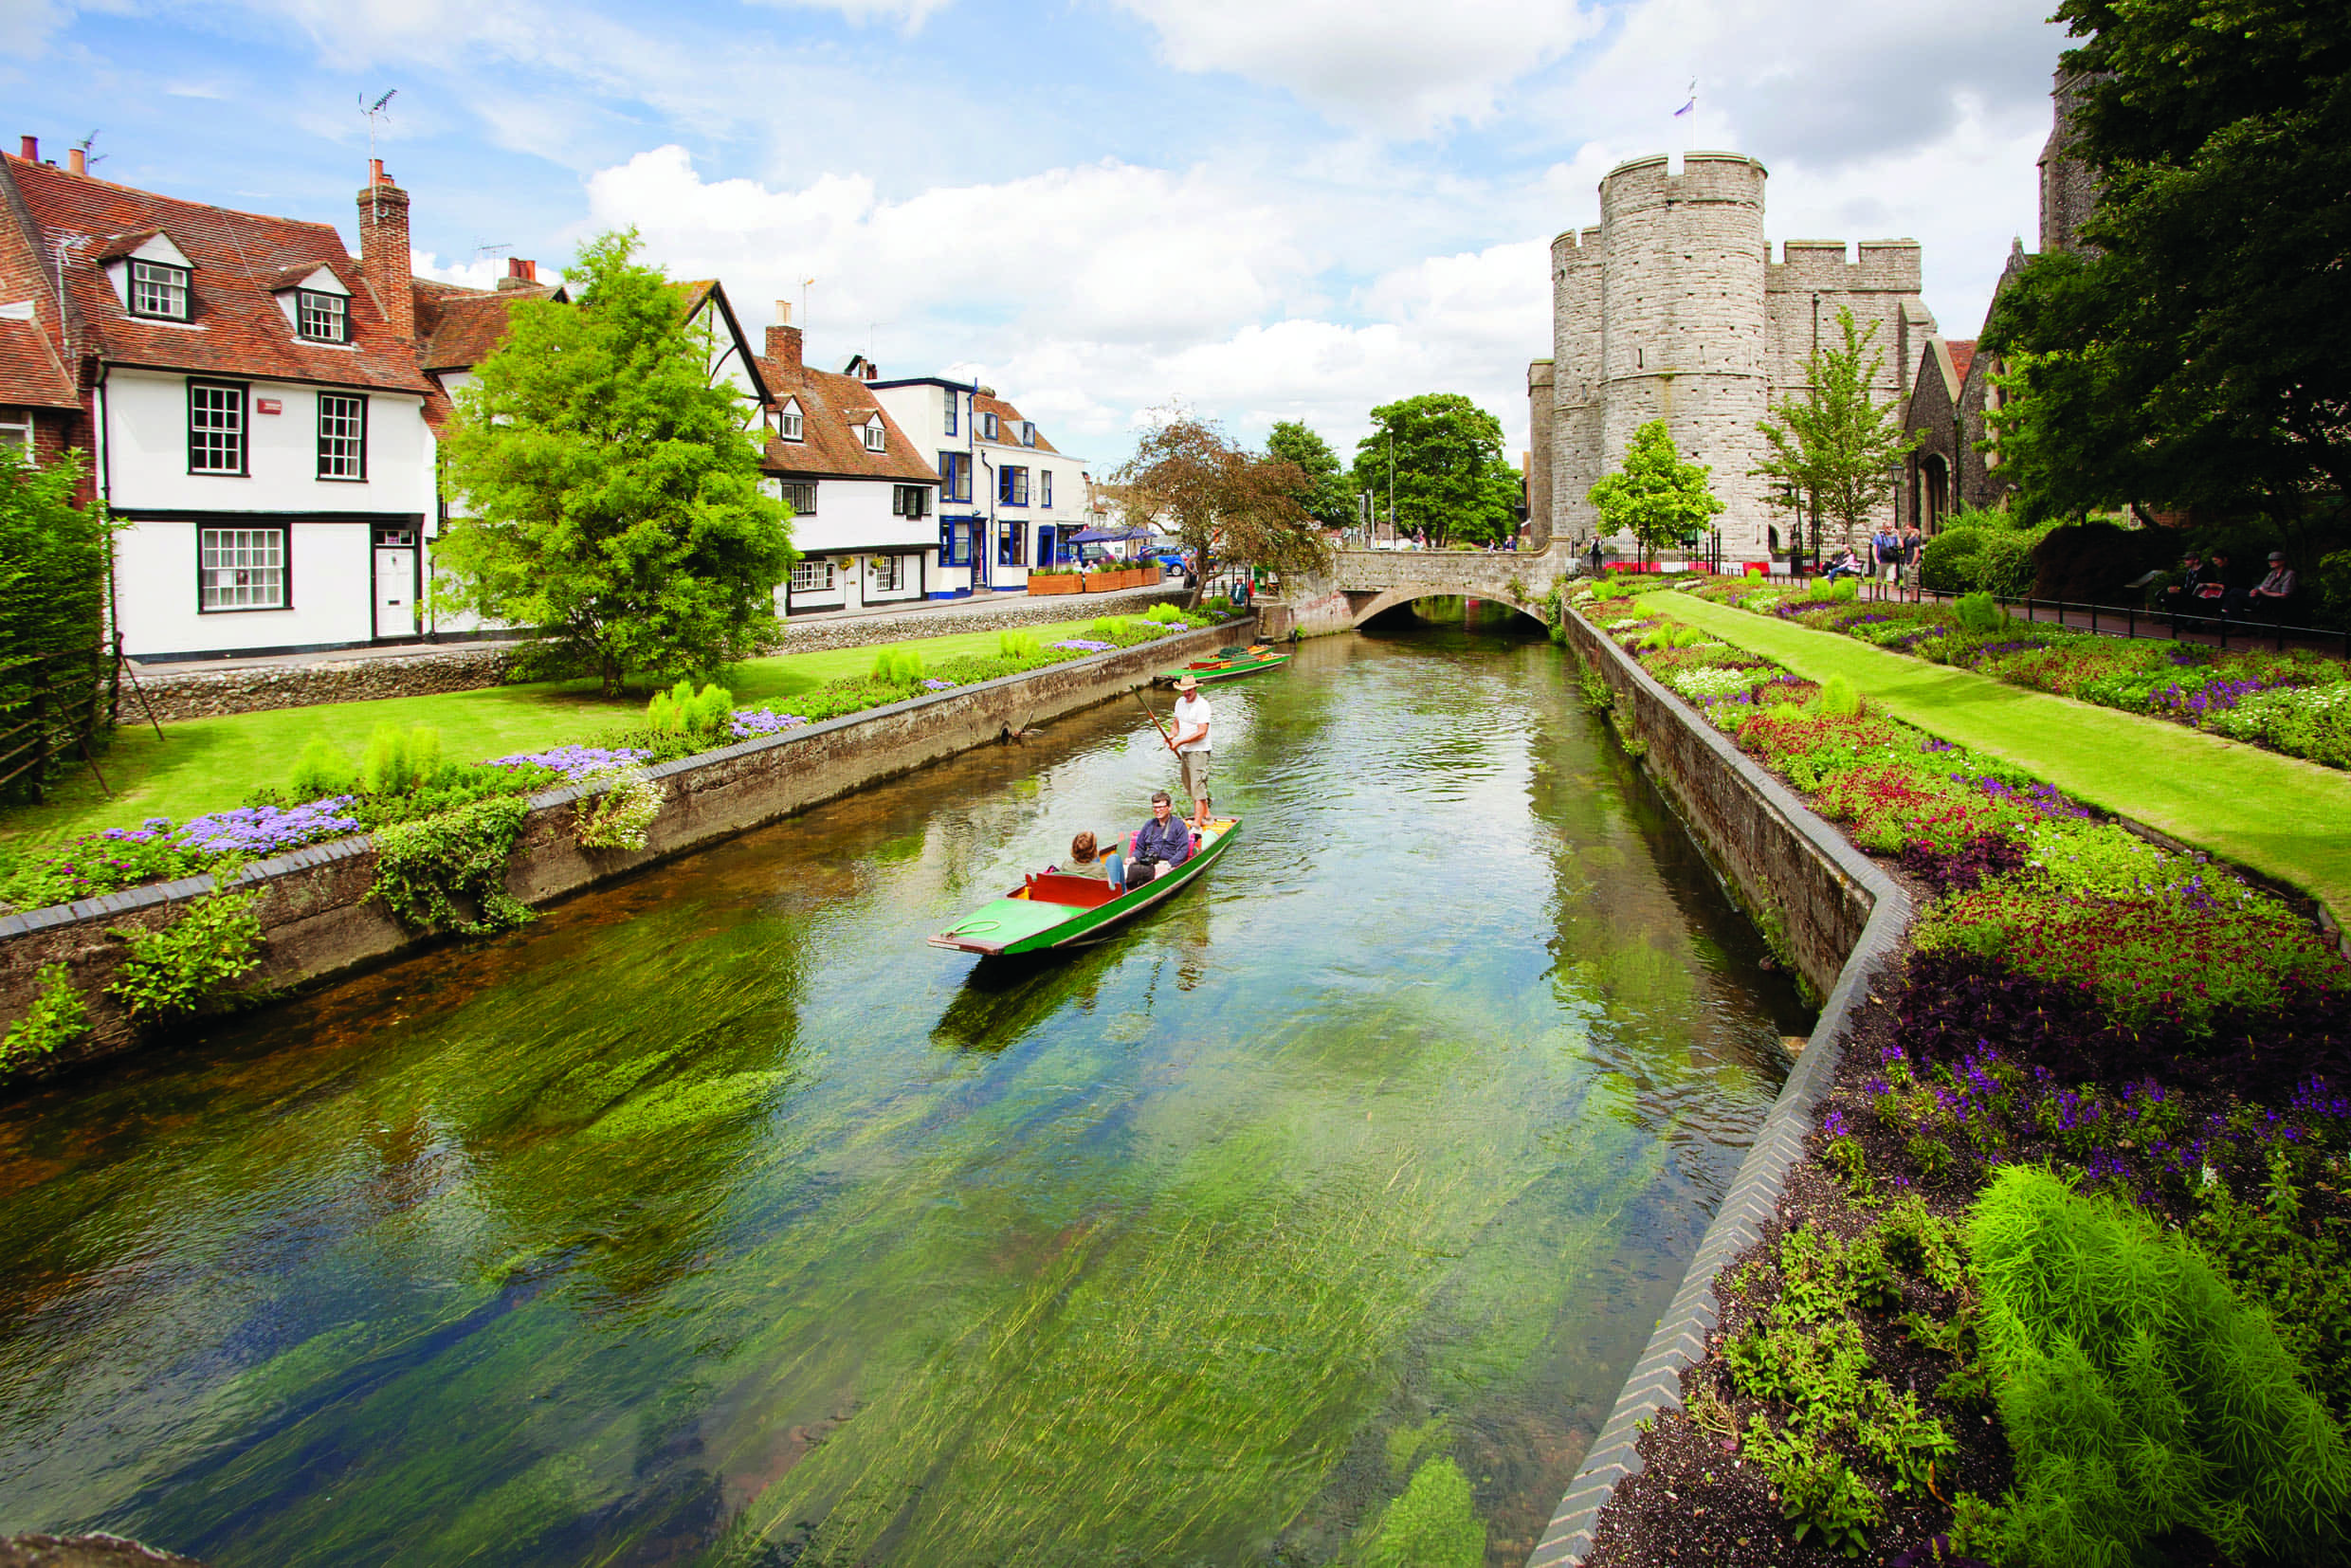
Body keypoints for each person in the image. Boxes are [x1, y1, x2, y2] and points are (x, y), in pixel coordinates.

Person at [1170, 674, 1212, 830]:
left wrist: (1179, 741)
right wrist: (1172, 736)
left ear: (1194, 688)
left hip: (1199, 751)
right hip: (1185, 750)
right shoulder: (1180, 702)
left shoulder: (1203, 705)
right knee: (1189, 785)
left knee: (1197, 785)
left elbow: (1202, 732)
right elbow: (1175, 724)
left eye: (1189, 690)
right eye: (1184, 690)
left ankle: (1197, 823)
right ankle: (1206, 814)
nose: (1186, 693)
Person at [1130, 790, 1194, 884]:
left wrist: (1168, 865)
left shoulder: (1179, 825)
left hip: (1168, 863)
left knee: (1157, 879)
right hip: (1148, 863)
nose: (1157, 810)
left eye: (1161, 807)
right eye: (1155, 807)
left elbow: (1183, 851)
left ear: (1169, 807)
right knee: (1128, 871)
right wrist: (1134, 858)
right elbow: (1140, 848)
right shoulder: (1149, 824)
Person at [2247, 551, 2297, 616]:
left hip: (2276, 601)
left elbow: (2284, 595)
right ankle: (2237, 621)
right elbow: (2262, 587)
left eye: (2273, 561)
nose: (2270, 563)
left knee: (2235, 593)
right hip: (2263, 598)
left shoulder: (2289, 574)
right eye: (2269, 561)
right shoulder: (2272, 573)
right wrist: (2255, 590)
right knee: (2234, 594)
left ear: (2282, 561)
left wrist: (2264, 593)